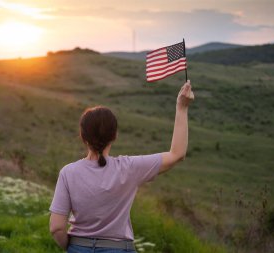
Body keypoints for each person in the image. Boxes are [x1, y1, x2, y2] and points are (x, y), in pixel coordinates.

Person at [49, 80, 194, 252]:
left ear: (82, 136)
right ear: (114, 135)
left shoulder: (68, 172)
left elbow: (56, 228)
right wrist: (182, 107)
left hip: (79, 247)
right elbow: (177, 154)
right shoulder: (129, 167)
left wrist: (74, 247)